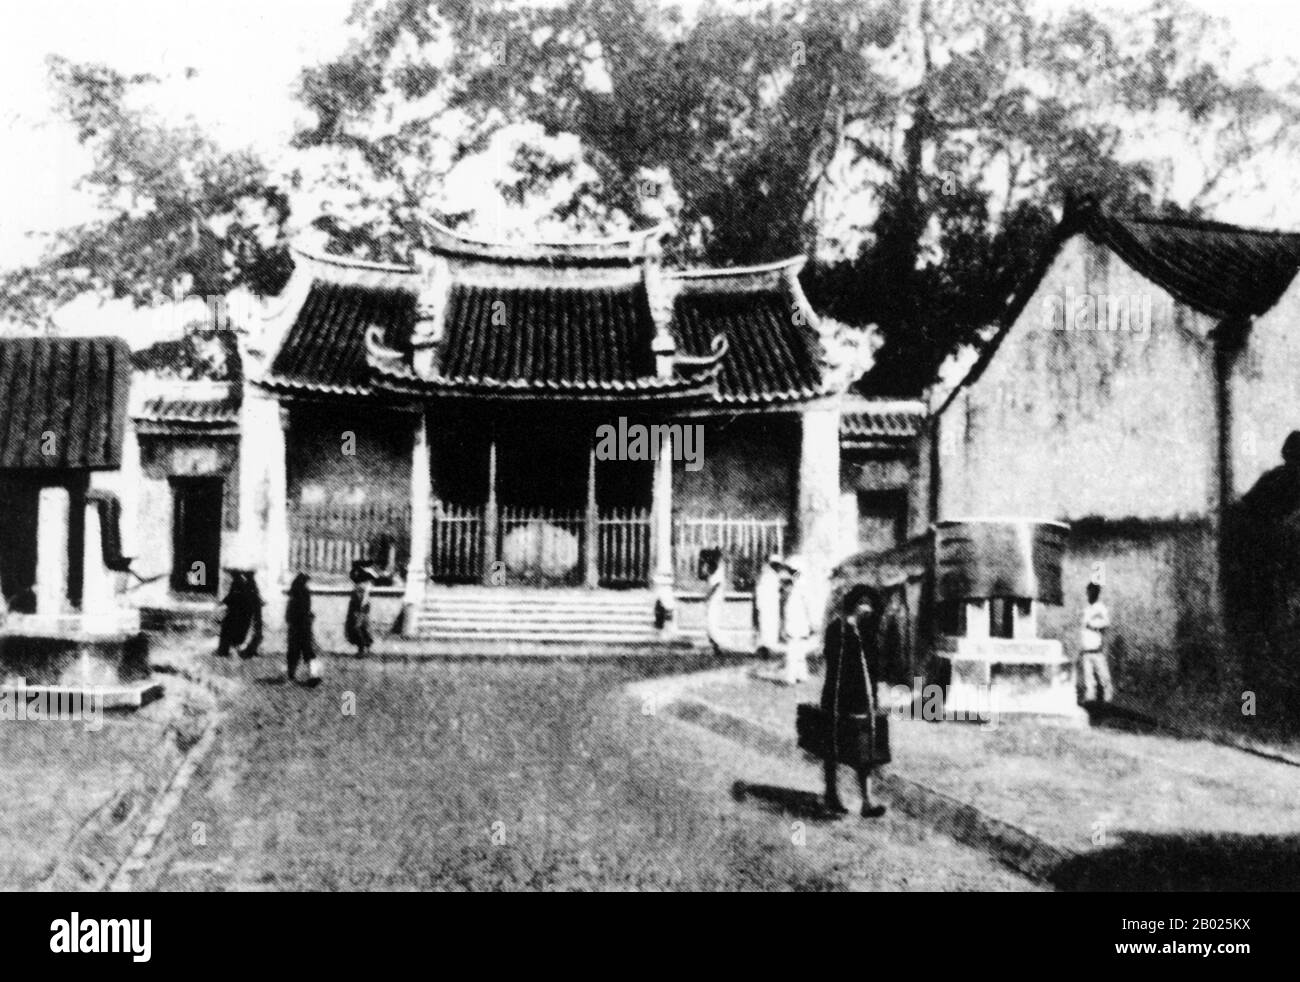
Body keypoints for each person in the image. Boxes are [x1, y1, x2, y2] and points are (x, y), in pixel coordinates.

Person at [821, 584, 887, 818]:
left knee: (865, 752)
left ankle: (867, 802)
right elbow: (835, 667)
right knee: (834, 748)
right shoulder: (837, 630)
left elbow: (873, 666)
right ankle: (831, 794)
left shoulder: (867, 631)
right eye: (864, 604)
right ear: (855, 606)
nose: (868, 609)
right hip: (840, 697)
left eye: (870, 605)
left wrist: (874, 696)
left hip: (863, 699)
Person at [781, 556, 814, 685]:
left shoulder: (800, 587)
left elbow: (808, 606)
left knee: (793, 651)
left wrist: (811, 622)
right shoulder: (796, 586)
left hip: (797, 622)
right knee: (798, 651)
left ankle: (792, 677)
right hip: (797, 622)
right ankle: (801, 675)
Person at [1079, 580, 1113, 703]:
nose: (1089, 594)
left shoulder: (1101, 608)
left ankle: (1107, 696)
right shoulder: (1087, 609)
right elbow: (1083, 627)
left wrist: (1093, 626)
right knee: (1088, 677)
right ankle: (1090, 697)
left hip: (1097, 648)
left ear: (1097, 593)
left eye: (1092, 592)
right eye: (1088, 592)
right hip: (1086, 648)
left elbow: (1106, 624)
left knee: (1103, 675)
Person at [217, 570, 262, 659]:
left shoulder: (238, 584)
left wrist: (224, 602)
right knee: (237, 632)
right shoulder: (250, 585)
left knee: (228, 632)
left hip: (236, 614)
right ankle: (229, 650)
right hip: (244, 614)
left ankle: (225, 651)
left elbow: (233, 597)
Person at [285, 572, 316, 682]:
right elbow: (306, 610)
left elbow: (288, 615)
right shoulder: (305, 593)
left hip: (295, 628)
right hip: (304, 627)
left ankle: (291, 674)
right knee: (308, 651)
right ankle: (313, 675)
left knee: (293, 652)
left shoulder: (293, 594)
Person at [753, 553, 784, 659]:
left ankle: (766, 649)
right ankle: (764, 650)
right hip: (767, 606)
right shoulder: (768, 576)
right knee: (766, 628)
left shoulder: (772, 575)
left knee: (768, 628)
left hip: (770, 606)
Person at [701, 547, 727, 657]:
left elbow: (716, 585)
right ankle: (715, 645)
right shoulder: (712, 568)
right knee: (709, 622)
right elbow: (703, 576)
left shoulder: (719, 568)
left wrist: (708, 595)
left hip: (715, 599)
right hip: (712, 599)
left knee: (712, 622)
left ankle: (718, 645)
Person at [346, 562, 375, 657]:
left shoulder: (361, 587)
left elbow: (362, 600)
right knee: (363, 628)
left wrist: (359, 610)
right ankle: (367, 647)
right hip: (361, 610)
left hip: (359, 610)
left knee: (357, 628)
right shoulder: (363, 587)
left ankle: (362, 648)